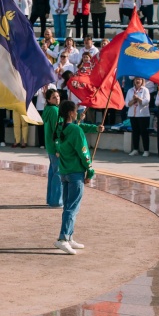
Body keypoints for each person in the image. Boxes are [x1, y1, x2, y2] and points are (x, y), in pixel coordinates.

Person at [52, 100, 95, 255]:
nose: (77, 113)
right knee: (72, 207)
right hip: (75, 172)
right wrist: (90, 170)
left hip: (64, 171)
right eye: (76, 111)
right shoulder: (76, 130)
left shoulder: (59, 128)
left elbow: (58, 147)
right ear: (71, 113)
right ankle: (63, 238)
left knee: (68, 206)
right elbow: (84, 152)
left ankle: (69, 236)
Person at [126, 77, 151, 157]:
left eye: (139, 79)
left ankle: (146, 150)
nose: (137, 81)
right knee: (135, 132)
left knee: (144, 132)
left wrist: (138, 99)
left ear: (142, 81)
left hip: (142, 115)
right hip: (133, 114)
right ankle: (135, 149)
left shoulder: (145, 90)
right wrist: (133, 100)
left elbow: (146, 101)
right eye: (136, 79)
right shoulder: (130, 90)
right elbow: (126, 103)